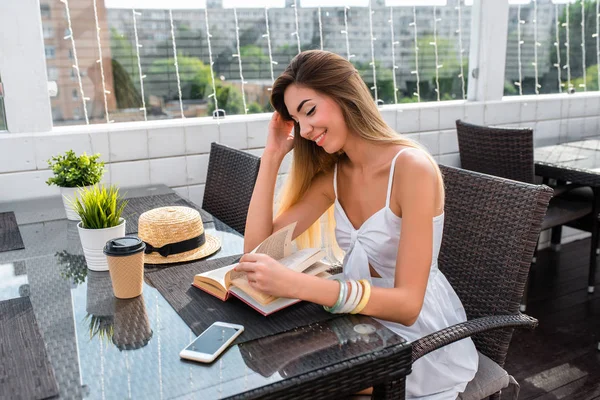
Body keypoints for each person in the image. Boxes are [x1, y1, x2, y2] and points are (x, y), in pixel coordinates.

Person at [236, 50, 478, 399]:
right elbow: (257, 251)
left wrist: (298, 285)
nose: (304, 130)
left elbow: (408, 306)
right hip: (357, 327)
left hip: (418, 340)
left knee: (295, 383)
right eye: (296, 120)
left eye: (310, 110)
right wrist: (271, 156)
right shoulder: (334, 176)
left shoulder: (411, 169)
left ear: (344, 95)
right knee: (275, 369)